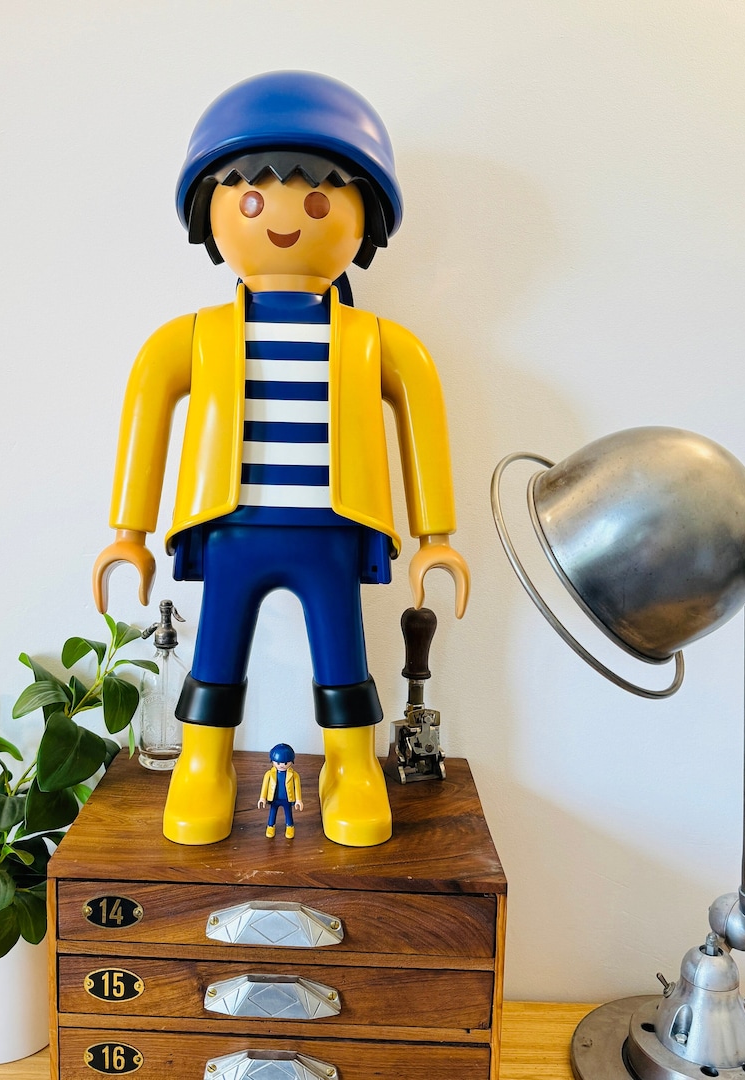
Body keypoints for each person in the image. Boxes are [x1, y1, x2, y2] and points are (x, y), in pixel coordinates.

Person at [93, 71, 469, 848]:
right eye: (253, 199)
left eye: (319, 201)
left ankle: (351, 767)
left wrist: (436, 536)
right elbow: (147, 407)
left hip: (333, 530)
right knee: (216, 651)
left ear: (364, 216)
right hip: (231, 529)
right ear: (212, 211)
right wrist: (128, 531)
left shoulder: (376, 342)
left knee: (342, 655)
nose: (286, 218)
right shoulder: (195, 337)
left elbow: (423, 415)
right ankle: (203, 763)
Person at [258, 743, 304, 839]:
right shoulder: (269, 774)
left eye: (285, 763)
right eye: (278, 763)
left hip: (287, 799)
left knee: (288, 813)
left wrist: (298, 800)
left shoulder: (294, 775)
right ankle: (270, 826)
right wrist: (262, 798)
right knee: (272, 813)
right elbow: (264, 786)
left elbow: (297, 788)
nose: (282, 765)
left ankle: (290, 827)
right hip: (274, 798)